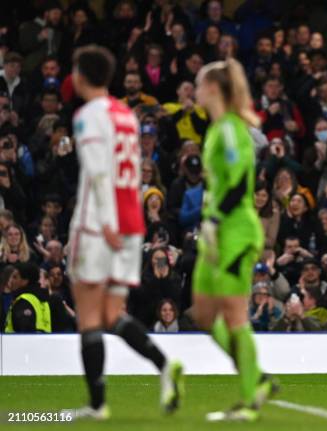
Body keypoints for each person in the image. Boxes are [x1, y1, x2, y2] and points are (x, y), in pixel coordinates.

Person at [65, 46, 183, 420]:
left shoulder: (88, 116)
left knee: (89, 316)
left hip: (101, 222)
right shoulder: (127, 116)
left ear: (81, 76)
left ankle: (97, 404)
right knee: (113, 313)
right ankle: (164, 364)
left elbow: (100, 171)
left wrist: (104, 222)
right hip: (132, 222)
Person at [192, 58, 278, 422]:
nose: (195, 91)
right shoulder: (214, 130)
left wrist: (212, 220)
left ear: (213, 88)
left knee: (233, 314)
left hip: (235, 231)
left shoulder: (231, 129)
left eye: (199, 84)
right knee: (202, 313)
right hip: (215, 232)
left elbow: (241, 184)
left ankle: (249, 399)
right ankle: (257, 377)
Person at [4, 262, 51, 333]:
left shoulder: (24, 301)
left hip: (20, 343)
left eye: (15, 277)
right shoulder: (43, 300)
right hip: (44, 342)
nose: (11, 281)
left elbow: (25, 332)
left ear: (25, 281)